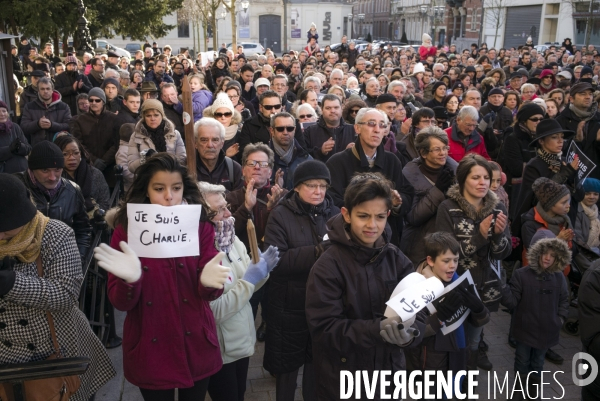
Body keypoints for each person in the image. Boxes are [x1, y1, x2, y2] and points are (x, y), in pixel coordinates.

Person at [94, 153, 227, 400]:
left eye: (176, 188)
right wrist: (129, 281)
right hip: (150, 343)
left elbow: (211, 290)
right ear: (146, 190)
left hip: (195, 341)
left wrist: (209, 283)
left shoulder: (199, 226)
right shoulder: (127, 230)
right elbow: (120, 302)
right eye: (159, 188)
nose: (169, 196)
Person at [305, 173, 425, 401]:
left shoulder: (397, 259)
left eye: (380, 217)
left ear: (388, 215)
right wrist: (377, 329)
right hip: (344, 382)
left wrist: (410, 334)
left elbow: (419, 311)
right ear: (346, 214)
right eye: (363, 216)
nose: (372, 225)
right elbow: (324, 329)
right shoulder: (328, 266)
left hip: (390, 379)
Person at [0, 174, 115, 400]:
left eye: (6, 230)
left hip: (56, 353)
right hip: (5, 361)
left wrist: (12, 283)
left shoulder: (55, 233)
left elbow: (65, 295)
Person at [263, 160, 339, 401]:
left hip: (324, 303)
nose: (318, 191)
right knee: (287, 369)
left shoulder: (335, 213)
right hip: (289, 305)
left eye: (322, 185)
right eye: (311, 185)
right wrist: (317, 251)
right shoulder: (280, 215)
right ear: (296, 187)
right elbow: (276, 260)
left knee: (317, 366)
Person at [197, 182, 279, 401]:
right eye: (219, 210)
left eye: (227, 207)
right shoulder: (199, 255)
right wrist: (249, 280)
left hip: (241, 342)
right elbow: (212, 313)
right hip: (219, 351)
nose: (227, 214)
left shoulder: (232, 241)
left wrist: (263, 272)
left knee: (239, 394)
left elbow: (248, 289)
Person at [436, 154, 512, 371]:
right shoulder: (447, 208)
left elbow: (502, 254)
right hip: (456, 287)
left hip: (484, 289)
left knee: (473, 343)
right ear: (462, 180)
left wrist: (497, 236)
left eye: (486, 177)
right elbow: (444, 253)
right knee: (452, 344)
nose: (483, 183)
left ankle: (466, 384)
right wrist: (479, 236)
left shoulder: (498, 208)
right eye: (476, 177)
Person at [405, 232, 489, 397]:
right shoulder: (416, 287)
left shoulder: (460, 281)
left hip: (458, 357)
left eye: (456, 260)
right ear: (430, 260)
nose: (452, 266)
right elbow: (410, 333)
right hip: (430, 364)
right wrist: (439, 317)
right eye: (446, 261)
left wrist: (479, 308)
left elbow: (481, 321)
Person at [326, 108, 414, 245]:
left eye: (382, 125)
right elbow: (331, 201)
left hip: (387, 239)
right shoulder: (337, 162)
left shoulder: (392, 160)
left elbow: (407, 194)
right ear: (357, 128)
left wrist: (396, 203)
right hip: (350, 239)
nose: (377, 130)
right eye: (371, 124)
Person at [500, 231, 570, 393]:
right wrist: (503, 287)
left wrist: (559, 319)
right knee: (522, 362)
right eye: (544, 253)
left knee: (538, 363)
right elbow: (511, 302)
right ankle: (519, 392)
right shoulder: (521, 275)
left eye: (552, 255)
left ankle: (532, 392)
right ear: (536, 252)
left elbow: (564, 300)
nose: (547, 258)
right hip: (525, 331)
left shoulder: (558, 277)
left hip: (547, 331)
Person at [14, 141, 92, 260]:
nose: (52, 177)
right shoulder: (15, 188)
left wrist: (78, 259)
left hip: (62, 261)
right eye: (45, 170)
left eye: (57, 169)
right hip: (22, 262)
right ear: (32, 169)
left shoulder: (73, 190)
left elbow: (82, 230)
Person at [512, 119, 581, 234]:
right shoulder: (533, 166)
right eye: (554, 137)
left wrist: (573, 177)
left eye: (562, 137)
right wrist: (566, 173)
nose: (560, 141)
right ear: (541, 141)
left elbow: (580, 195)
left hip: (566, 221)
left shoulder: (565, 162)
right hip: (541, 226)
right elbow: (537, 198)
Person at [401, 126, 458, 264]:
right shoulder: (409, 175)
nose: (443, 153)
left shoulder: (456, 171)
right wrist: (438, 190)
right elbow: (413, 216)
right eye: (437, 149)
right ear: (424, 153)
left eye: (445, 148)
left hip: (451, 241)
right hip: (421, 245)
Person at [499, 103, 545, 206]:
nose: (539, 122)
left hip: (540, 189)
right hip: (519, 191)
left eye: (541, 119)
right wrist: (543, 166)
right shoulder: (512, 138)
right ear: (524, 121)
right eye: (534, 119)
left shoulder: (543, 137)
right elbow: (516, 168)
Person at [70, 87, 119, 184]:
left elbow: (116, 142)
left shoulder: (113, 118)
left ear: (103, 102)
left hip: (110, 167)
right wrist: (94, 160)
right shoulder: (80, 120)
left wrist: (104, 161)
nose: (94, 103)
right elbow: (78, 143)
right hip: (89, 166)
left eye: (97, 100)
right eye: (91, 100)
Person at [54, 135, 110, 214]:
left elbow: (105, 203)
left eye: (76, 153)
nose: (72, 158)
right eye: (65, 154)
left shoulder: (95, 174)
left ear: (81, 153)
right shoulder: (53, 177)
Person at [128, 99, 185, 174]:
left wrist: (166, 162)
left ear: (162, 115)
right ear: (144, 117)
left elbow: (182, 159)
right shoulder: (136, 136)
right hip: (148, 180)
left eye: (156, 115)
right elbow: (131, 167)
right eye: (148, 116)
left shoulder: (174, 134)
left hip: (170, 177)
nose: (152, 119)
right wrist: (145, 159)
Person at [193, 117, 243, 192]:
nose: (210, 145)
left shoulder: (234, 169)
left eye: (215, 140)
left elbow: (239, 201)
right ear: (195, 143)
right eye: (204, 140)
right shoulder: (184, 169)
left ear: (222, 143)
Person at [303, 94, 355, 163]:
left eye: (336, 107)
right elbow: (302, 156)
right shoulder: (309, 131)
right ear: (322, 109)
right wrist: (320, 151)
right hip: (321, 172)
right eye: (328, 108)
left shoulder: (353, 130)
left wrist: (354, 151)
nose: (332, 111)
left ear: (341, 108)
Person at [20, 77, 71, 145]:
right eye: (42, 89)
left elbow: (69, 126)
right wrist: (37, 124)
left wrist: (52, 125)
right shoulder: (29, 106)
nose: (45, 91)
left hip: (59, 146)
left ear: (52, 90)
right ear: (38, 90)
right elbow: (23, 127)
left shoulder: (64, 106)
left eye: (48, 88)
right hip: (38, 147)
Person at [268, 112, 312, 190]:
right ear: (272, 131)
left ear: (294, 130)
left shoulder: (306, 159)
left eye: (290, 128)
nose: (285, 132)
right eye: (280, 129)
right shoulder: (263, 159)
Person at [239, 91, 282, 156]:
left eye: (277, 106)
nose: (273, 111)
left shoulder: (292, 123)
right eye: (268, 107)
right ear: (261, 108)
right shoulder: (249, 125)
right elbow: (245, 152)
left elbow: (300, 151)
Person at [202, 93, 242, 159]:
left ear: (232, 116)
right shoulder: (206, 135)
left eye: (227, 114)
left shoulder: (240, 136)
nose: (223, 117)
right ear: (213, 116)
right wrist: (225, 156)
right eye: (219, 114)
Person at [0, 100, 30, 174]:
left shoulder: (15, 127)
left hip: (23, 171)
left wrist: (20, 146)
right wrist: (9, 149)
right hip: (5, 175)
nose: (2, 114)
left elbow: (28, 148)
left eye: (4, 111)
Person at [575, 178, 600, 253]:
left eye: (595, 194)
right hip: (583, 257)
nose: (592, 197)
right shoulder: (576, 212)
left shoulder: (597, 213)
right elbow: (577, 240)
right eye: (587, 193)